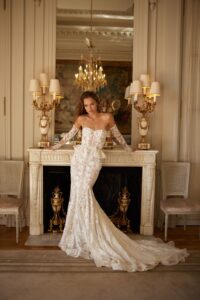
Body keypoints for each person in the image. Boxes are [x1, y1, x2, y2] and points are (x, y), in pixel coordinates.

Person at [51, 91, 189, 272]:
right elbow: (69, 135)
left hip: (94, 159)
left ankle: (95, 235)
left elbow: (117, 135)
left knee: (84, 191)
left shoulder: (107, 117)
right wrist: (56, 146)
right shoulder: (81, 119)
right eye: (86, 105)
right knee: (76, 194)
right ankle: (79, 235)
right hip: (78, 159)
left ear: (97, 103)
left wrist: (128, 148)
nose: (89, 108)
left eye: (92, 104)